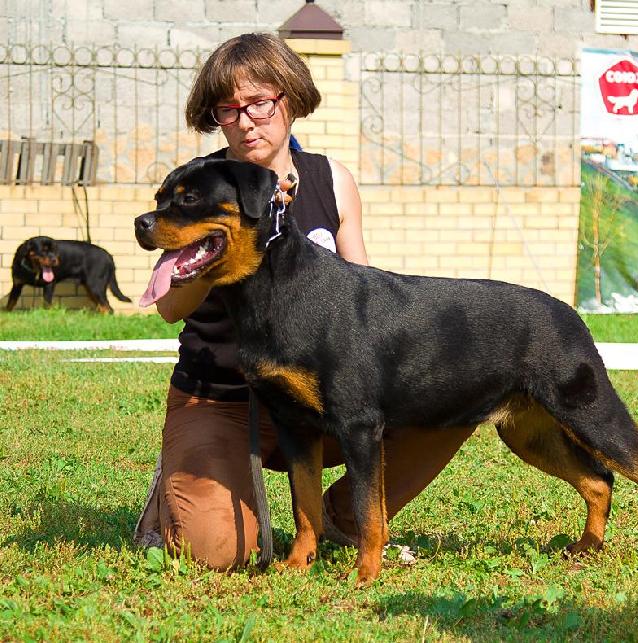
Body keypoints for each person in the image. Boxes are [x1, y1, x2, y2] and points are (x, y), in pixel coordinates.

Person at [134, 32, 475, 570]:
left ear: (289, 100)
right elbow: (171, 310)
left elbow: (365, 293)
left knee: (455, 396)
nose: (246, 122)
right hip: (222, 398)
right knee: (220, 552)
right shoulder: (205, 187)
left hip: (321, 392)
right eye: (228, 109)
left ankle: (341, 515)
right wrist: (213, 249)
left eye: (259, 103)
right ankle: (174, 491)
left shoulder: (330, 180)